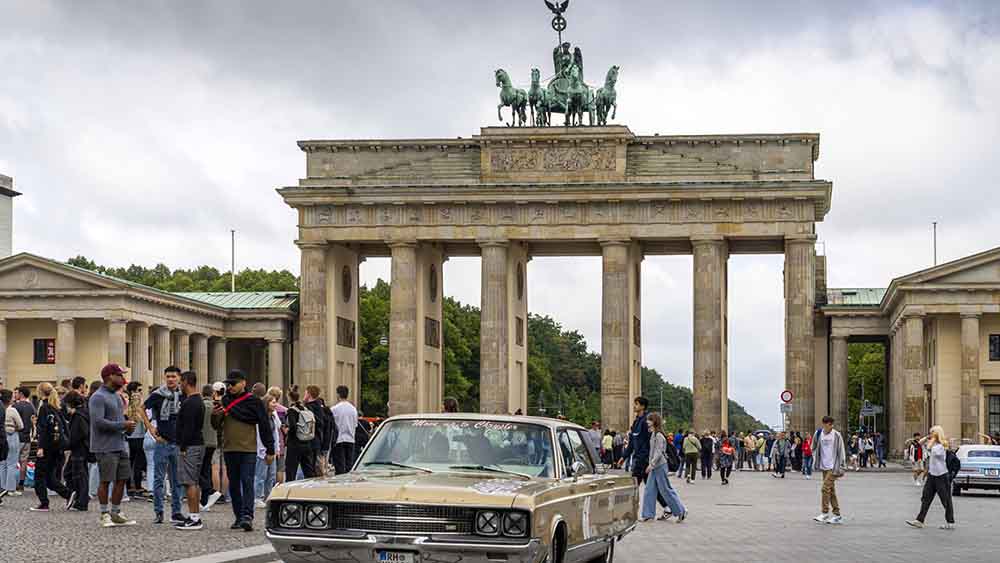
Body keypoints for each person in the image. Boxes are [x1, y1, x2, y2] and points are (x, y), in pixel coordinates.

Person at [212, 370, 275, 532]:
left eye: (234, 383)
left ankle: (248, 516)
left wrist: (270, 449)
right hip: (229, 447)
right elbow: (216, 425)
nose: (230, 386)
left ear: (243, 383)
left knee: (247, 482)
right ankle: (238, 516)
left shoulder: (253, 401)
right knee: (233, 484)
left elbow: (263, 424)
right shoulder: (225, 400)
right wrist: (216, 415)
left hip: (248, 449)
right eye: (229, 384)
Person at [89, 364, 138, 526]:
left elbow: (118, 420)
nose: (123, 379)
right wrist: (123, 425)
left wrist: (127, 427)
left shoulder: (116, 396)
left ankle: (115, 511)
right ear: (110, 376)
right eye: (120, 375)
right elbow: (98, 422)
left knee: (122, 479)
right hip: (104, 446)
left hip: (119, 444)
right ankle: (104, 513)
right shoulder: (98, 397)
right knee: (105, 480)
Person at [144, 366, 186, 525]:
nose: (170, 379)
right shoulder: (157, 395)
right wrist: (151, 428)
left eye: (173, 376)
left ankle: (176, 512)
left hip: (178, 443)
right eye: (168, 376)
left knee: (177, 480)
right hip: (162, 442)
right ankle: (159, 511)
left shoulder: (183, 396)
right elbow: (142, 409)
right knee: (159, 479)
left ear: (179, 378)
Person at [31, 382, 72, 511]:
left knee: (39, 476)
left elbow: (43, 429)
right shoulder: (56, 407)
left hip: (46, 447)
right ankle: (68, 494)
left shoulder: (44, 407)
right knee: (49, 477)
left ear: (40, 392)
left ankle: (44, 503)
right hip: (57, 447)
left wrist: (40, 447)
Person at [640, 413, 687, 522]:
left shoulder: (659, 435)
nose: (647, 422)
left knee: (665, 489)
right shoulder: (653, 434)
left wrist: (651, 465)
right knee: (649, 489)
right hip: (655, 466)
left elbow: (659, 452)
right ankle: (648, 514)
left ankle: (681, 511)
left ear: (654, 421)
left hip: (660, 466)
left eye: (649, 420)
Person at [906, 426, 956, 530]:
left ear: (937, 433)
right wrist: (927, 437)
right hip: (932, 475)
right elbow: (919, 443)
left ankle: (950, 522)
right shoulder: (933, 443)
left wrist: (932, 440)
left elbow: (932, 451)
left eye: (932, 432)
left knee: (945, 499)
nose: (930, 434)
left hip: (941, 476)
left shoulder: (943, 445)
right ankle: (920, 520)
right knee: (926, 498)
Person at [174, 371, 206, 530]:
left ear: (186, 382)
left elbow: (188, 427)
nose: (180, 385)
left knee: (189, 482)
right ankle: (194, 515)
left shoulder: (190, 403)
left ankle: (194, 518)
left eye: (181, 382)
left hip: (191, 445)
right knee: (192, 481)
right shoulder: (197, 400)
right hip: (196, 444)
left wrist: (183, 446)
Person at [812, 416, 847, 525]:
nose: (830, 427)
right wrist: (815, 459)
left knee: (825, 488)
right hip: (824, 466)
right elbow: (813, 446)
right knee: (831, 491)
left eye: (832, 425)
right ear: (824, 424)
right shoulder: (818, 434)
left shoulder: (836, 435)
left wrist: (842, 465)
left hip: (834, 466)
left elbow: (841, 450)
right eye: (828, 425)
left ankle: (824, 513)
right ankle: (837, 515)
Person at [198, 384, 223, 511]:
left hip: (201, 441)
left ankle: (210, 491)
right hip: (213, 442)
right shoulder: (216, 406)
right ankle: (204, 501)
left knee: (198, 471)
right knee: (206, 470)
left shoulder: (200, 406)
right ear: (212, 394)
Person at [64, 392, 90, 511]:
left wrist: (67, 444)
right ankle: (77, 496)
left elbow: (77, 434)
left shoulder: (78, 416)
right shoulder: (84, 413)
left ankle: (80, 501)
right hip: (82, 448)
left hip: (79, 449)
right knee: (74, 473)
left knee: (79, 475)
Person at [254, 395, 281, 507]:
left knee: (271, 475)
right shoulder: (261, 418)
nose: (275, 404)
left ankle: (268, 496)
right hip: (263, 450)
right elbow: (259, 435)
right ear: (267, 404)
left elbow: (276, 432)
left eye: (275, 402)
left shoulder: (273, 417)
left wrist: (277, 448)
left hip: (272, 449)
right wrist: (262, 450)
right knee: (261, 475)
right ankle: (258, 497)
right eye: (272, 402)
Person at [284, 388, 316, 482]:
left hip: (294, 444)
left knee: (291, 470)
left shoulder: (292, 411)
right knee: (308, 470)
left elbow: (293, 427)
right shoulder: (305, 409)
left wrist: (287, 431)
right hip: (307, 442)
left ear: (289, 398)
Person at [123, 381, 147, 497]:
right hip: (139, 437)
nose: (141, 393)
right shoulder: (139, 408)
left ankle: (129, 486)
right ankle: (137, 486)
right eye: (140, 390)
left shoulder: (126, 407)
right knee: (138, 463)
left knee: (130, 462)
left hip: (129, 437)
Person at [620, 397, 650, 486]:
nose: (634, 406)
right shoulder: (636, 422)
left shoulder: (646, 421)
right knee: (649, 487)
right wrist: (624, 456)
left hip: (644, 459)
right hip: (639, 459)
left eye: (636, 404)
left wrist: (646, 456)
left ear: (643, 406)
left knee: (634, 485)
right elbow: (632, 442)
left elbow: (649, 441)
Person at [304, 385, 332, 477]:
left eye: (305, 393)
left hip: (311, 441)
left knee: (311, 468)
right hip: (319, 441)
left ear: (308, 394)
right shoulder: (321, 407)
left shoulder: (309, 407)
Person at [330, 385, 358, 475]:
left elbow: (332, 426)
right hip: (350, 439)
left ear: (338, 395)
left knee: (339, 468)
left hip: (339, 440)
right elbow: (355, 425)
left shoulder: (334, 409)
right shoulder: (353, 409)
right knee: (349, 467)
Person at [2, 389, 24, 499]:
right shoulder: (12, 410)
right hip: (12, 436)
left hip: (2, 435)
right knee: (12, 463)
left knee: (2, 463)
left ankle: (2, 487)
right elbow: (21, 425)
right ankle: (10, 489)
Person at [14, 387, 35, 493]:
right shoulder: (32, 406)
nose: (15, 395)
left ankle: (13, 483)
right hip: (27, 437)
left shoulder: (15, 406)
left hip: (17, 436)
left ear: (21, 394)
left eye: (16, 393)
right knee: (24, 461)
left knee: (13, 461)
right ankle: (21, 483)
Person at [266, 387, 287, 484]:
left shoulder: (266, 409)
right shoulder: (284, 410)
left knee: (267, 470)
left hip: (269, 441)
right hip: (280, 441)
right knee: (280, 468)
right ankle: (279, 488)